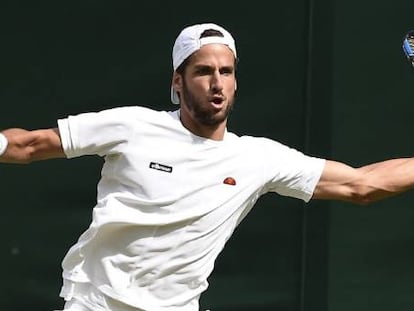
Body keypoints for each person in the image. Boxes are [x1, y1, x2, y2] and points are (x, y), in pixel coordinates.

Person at [1, 22, 413, 311]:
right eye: (203, 71)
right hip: (95, 303)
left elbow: (363, 185)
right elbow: (29, 145)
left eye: (226, 71)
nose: (216, 82)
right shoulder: (132, 125)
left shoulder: (258, 158)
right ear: (177, 82)